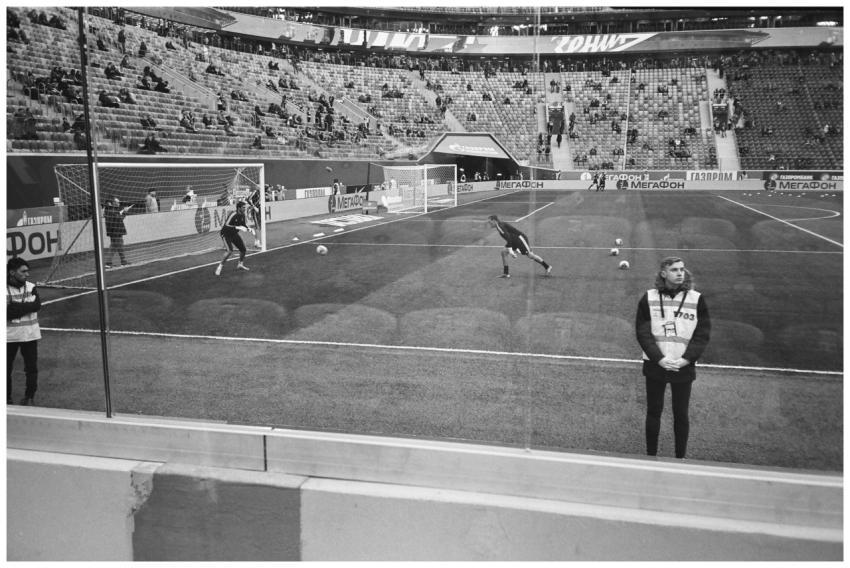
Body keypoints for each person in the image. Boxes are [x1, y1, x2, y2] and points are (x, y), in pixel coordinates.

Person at [635, 257, 711, 459]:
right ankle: (650, 457)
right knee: (654, 412)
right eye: (674, 269)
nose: (680, 273)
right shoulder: (648, 298)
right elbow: (643, 333)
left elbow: (702, 335)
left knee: (681, 415)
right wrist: (659, 358)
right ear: (663, 273)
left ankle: (680, 459)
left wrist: (686, 359)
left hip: (682, 366)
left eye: (682, 269)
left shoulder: (696, 299)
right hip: (656, 365)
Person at [7, 257, 42, 406]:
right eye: (23, 271)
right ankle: (6, 398)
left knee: (31, 369)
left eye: (28, 271)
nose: (27, 274)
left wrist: (15, 307)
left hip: (30, 335)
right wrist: (28, 306)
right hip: (8, 337)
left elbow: (37, 305)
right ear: (12, 272)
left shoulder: (31, 287)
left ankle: (29, 396)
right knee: (5, 370)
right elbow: (7, 313)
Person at [487, 215, 552, 278]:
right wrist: (511, 250)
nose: (489, 224)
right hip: (513, 241)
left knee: (530, 255)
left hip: (520, 240)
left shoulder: (500, 226)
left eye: (490, 222)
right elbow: (509, 238)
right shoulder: (500, 225)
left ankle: (547, 267)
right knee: (503, 252)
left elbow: (508, 237)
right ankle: (506, 273)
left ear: (494, 221)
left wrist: (511, 251)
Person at [214, 201, 254, 275]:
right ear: (239, 208)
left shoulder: (242, 215)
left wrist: (250, 229)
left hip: (234, 234)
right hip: (226, 234)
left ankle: (240, 264)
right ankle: (219, 267)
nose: (245, 209)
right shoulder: (233, 214)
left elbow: (243, 224)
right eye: (243, 207)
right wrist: (238, 227)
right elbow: (226, 225)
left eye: (245, 207)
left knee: (243, 249)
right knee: (229, 251)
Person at [104, 196, 132, 268]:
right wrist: (125, 212)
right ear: (113, 203)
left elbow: (118, 217)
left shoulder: (110, 210)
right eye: (117, 202)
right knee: (117, 246)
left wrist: (123, 212)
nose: (119, 203)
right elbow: (119, 218)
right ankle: (111, 262)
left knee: (116, 247)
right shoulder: (111, 211)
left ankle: (121, 261)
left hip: (114, 232)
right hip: (115, 232)